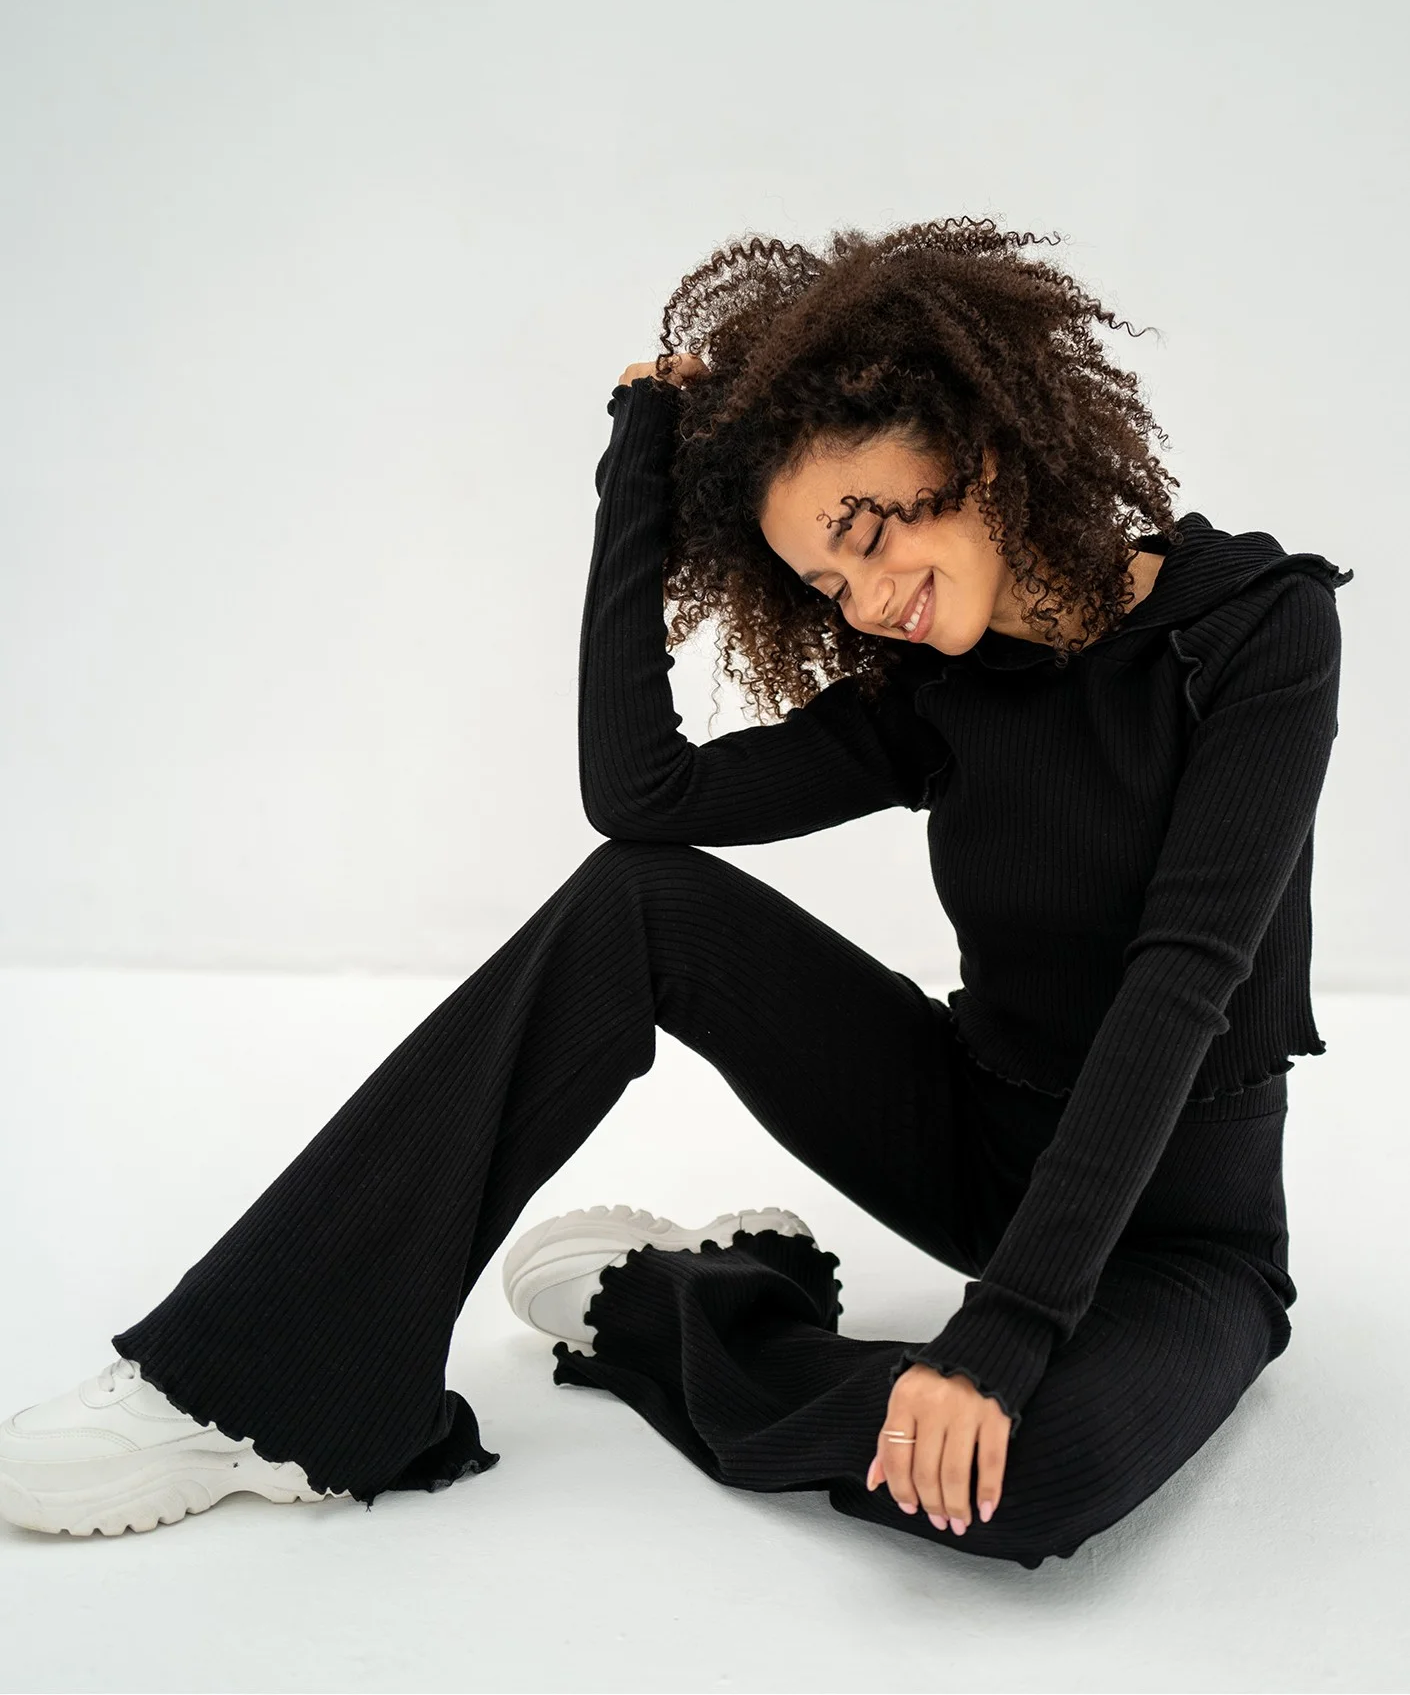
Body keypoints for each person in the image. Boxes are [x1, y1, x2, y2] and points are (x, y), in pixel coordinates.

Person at [0, 217, 1353, 1570]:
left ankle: (671, 1305)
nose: (864, 600)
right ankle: (243, 1381)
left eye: (862, 532)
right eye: (826, 581)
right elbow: (642, 799)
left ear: (977, 446)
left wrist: (1002, 1331)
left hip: (1181, 1234)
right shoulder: (943, 691)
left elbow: (1181, 982)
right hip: (970, 1144)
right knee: (635, 899)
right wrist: (636, 468)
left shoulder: (1255, 632)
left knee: (1033, 1477)